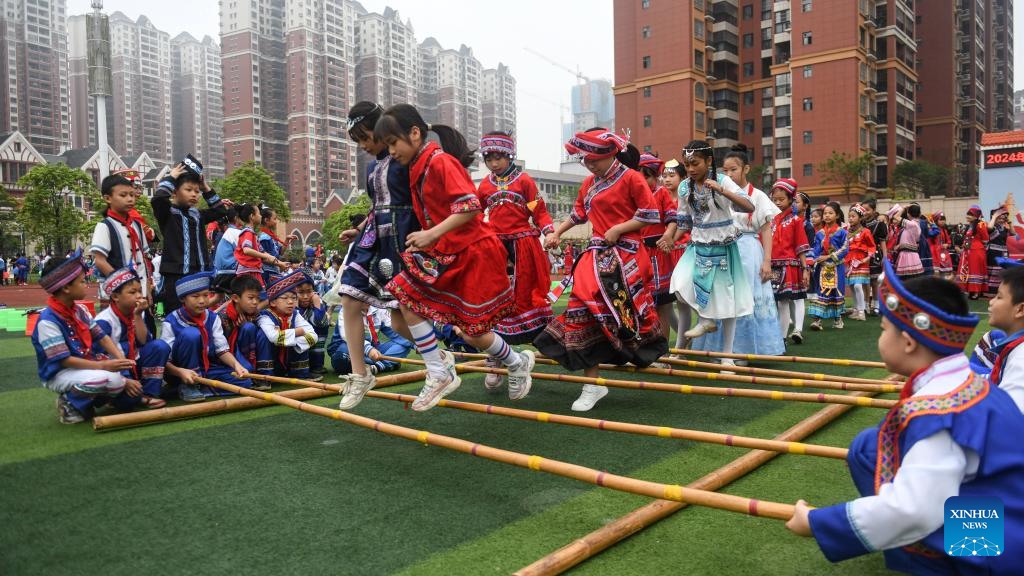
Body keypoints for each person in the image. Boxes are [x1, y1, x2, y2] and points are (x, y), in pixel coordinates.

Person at [787, 261, 1024, 574]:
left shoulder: (940, 412)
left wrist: (818, 523)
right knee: (874, 450)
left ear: (909, 343)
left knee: (915, 517)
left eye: (885, 330)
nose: (881, 338)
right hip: (1007, 520)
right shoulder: (968, 386)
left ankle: (954, 565)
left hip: (1001, 545)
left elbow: (913, 511)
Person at [341, 103, 534, 412]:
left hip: (471, 253)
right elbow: (388, 205)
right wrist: (367, 227)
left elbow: (470, 205)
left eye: (392, 143)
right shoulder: (417, 163)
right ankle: (446, 368)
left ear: (414, 134)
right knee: (408, 297)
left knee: (471, 330)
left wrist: (429, 235)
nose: (390, 151)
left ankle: (508, 361)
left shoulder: (438, 162)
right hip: (444, 249)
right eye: (387, 144)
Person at [537, 128, 666, 411]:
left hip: (628, 255)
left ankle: (644, 349)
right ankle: (592, 385)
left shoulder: (632, 178)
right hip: (596, 256)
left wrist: (619, 228)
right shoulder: (588, 184)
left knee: (622, 314)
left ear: (610, 155)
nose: (589, 164)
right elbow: (578, 214)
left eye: (594, 159)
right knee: (582, 308)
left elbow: (649, 214)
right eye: (586, 160)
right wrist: (556, 233)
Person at [335, 101, 421, 395]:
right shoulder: (372, 168)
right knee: (348, 297)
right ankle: (360, 375)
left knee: (399, 321)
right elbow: (376, 207)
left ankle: (438, 359)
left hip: (402, 240)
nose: (362, 145)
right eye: (357, 140)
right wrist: (358, 229)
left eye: (364, 137)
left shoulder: (407, 160)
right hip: (373, 239)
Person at [663, 140, 755, 371]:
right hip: (697, 245)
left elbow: (748, 206)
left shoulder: (723, 181)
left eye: (695, 163)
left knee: (727, 303)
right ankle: (705, 319)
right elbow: (683, 221)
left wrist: (723, 190)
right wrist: (670, 239)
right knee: (679, 285)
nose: (691, 169)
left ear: (709, 161)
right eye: (687, 164)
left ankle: (726, 357)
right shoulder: (685, 187)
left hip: (723, 247)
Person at [475, 131, 554, 391]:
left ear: (509, 156)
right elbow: (476, 215)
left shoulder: (525, 182)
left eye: (498, 158)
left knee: (524, 297)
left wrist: (549, 232)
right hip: (495, 248)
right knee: (493, 300)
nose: (494, 163)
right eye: (489, 159)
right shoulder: (485, 185)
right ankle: (494, 360)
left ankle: (543, 347)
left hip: (523, 247)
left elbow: (539, 212)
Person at [690, 144, 782, 357]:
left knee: (744, 297)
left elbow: (766, 229)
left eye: (734, 169)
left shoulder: (757, 196)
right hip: (720, 249)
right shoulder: (715, 191)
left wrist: (767, 261)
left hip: (748, 250)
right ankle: (715, 350)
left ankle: (742, 352)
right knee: (718, 297)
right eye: (725, 170)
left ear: (746, 169)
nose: (729, 174)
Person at [31, 251, 140, 423]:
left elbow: (102, 337)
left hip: (82, 367)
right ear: (66, 288)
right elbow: (64, 361)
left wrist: (121, 362)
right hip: (58, 373)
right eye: (82, 281)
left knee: (118, 381)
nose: (86, 285)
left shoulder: (79, 311)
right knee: (104, 378)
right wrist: (103, 365)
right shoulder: (48, 321)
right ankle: (69, 403)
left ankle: (87, 402)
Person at [160, 271, 252, 402]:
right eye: (195, 296)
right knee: (191, 334)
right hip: (179, 372)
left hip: (207, 368)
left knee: (245, 382)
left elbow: (222, 351)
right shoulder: (171, 321)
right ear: (182, 299)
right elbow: (165, 362)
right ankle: (187, 385)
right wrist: (181, 372)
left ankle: (194, 388)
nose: (202, 301)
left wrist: (237, 366)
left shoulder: (212, 318)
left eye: (205, 295)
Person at [152, 161, 229, 313]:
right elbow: (158, 200)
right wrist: (171, 177)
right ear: (174, 192)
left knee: (199, 314)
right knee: (177, 314)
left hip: (199, 273)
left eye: (197, 191)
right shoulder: (167, 214)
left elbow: (220, 210)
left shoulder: (198, 215)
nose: (194, 194)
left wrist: (205, 187)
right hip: (176, 276)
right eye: (188, 190)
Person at [92, 268, 170, 409]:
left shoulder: (137, 312)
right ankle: (118, 396)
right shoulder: (104, 321)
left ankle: (149, 392)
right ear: (115, 296)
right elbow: (102, 357)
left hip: (133, 362)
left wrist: (138, 315)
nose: (139, 296)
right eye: (133, 292)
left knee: (160, 346)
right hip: (113, 370)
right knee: (128, 402)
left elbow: (144, 342)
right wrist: (125, 380)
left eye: (140, 291)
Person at [90, 173, 152, 305]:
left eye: (132, 195)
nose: (130, 199)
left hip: (139, 292)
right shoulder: (104, 226)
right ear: (108, 198)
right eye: (123, 195)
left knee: (141, 323)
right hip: (116, 293)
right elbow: (100, 261)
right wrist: (121, 283)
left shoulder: (137, 226)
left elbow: (143, 258)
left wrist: (147, 288)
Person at [636, 153, 678, 348]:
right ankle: (641, 348)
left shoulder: (661, 194)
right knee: (639, 305)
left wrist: (668, 235)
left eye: (648, 176)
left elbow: (672, 219)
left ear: (656, 177)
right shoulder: (631, 195)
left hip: (659, 255)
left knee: (662, 305)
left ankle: (662, 349)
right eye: (640, 176)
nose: (644, 180)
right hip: (637, 254)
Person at [255, 271, 321, 382]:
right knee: (263, 335)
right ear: (273, 302)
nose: (290, 302)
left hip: (287, 361)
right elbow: (274, 337)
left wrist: (291, 338)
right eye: (285, 298)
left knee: (302, 339)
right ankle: (264, 377)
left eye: (293, 298)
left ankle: (300, 373)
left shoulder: (295, 314)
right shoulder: (264, 316)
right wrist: (296, 332)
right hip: (272, 362)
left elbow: (313, 336)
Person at [768, 178, 811, 344]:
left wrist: (805, 269)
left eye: (781, 199)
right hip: (772, 266)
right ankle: (779, 335)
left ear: (791, 200)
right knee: (776, 303)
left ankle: (782, 338)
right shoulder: (770, 220)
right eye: (775, 200)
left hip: (789, 267)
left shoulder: (796, 221)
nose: (778, 203)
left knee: (784, 302)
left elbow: (801, 247)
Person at [327, 302, 414, 376]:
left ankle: (377, 367)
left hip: (375, 349)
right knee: (340, 359)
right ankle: (387, 363)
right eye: (363, 297)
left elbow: (396, 333)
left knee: (403, 345)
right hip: (348, 349)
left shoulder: (379, 308)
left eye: (369, 295)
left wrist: (418, 345)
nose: (367, 299)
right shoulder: (347, 310)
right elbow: (348, 337)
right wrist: (368, 349)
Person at [984, 261, 1024, 413]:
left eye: (999, 297)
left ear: (1020, 309)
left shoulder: (1020, 359)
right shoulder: (1015, 349)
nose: (991, 301)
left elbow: (1009, 417)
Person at [661, 159, 692, 349]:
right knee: (664, 303)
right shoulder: (659, 198)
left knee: (683, 301)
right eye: (664, 175)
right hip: (664, 254)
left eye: (672, 175)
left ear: (683, 177)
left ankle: (680, 347)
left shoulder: (687, 199)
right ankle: (684, 340)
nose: (667, 179)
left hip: (683, 252)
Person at [213, 274, 264, 389]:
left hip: (239, 353)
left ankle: (249, 367)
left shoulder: (253, 313)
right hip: (222, 356)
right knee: (246, 374)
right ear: (235, 298)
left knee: (249, 327)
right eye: (251, 298)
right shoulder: (221, 317)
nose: (255, 302)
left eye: (257, 298)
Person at [808, 202, 848, 331]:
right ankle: (817, 320)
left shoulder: (841, 232)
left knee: (836, 292)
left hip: (836, 267)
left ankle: (838, 319)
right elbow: (816, 249)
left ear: (837, 216)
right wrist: (815, 259)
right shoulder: (820, 233)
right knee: (822, 291)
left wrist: (828, 257)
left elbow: (845, 249)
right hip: (822, 268)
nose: (827, 216)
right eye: (825, 213)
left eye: (830, 213)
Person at [235, 203, 280, 290]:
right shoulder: (248, 232)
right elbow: (246, 250)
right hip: (248, 272)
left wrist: (280, 263)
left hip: (253, 270)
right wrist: (264, 256)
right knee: (259, 298)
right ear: (252, 216)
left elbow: (263, 252)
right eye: (259, 214)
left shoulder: (253, 234)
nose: (260, 216)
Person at [844, 204, 876, 322]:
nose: (850, 218)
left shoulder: (865, 232)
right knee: (852, 286)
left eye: (853, 216)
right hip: (849, 262)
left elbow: (872, 247)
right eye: (849, 216)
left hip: (861, 262)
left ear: (860, 218)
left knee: (858, 285)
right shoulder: (846, 232)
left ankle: (862, 312)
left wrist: (867, 259)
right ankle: (856, 309)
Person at [295, 270, 330, 375]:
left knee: (321, 327)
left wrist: (316, 302)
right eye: (301, 292)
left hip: (314, 349)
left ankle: (317, 365)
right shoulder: (290, 305)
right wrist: (296, 307)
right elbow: (295, 323)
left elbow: (320, 322)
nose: (305, 296)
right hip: (297, 353)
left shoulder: (317, 302)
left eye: (309, 291)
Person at [859, 199, 889, 315]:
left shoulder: (879, 224)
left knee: (875, 282)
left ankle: (876, 304)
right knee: (864, 281)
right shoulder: (860, 224)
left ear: (874, 210)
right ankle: (865, 305)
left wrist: (885, 256)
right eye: (863, 210)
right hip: (862, 255)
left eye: (868, 210)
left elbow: (882, 242)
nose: (865, 212)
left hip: (875, 255)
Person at [958, 205, 989, 299]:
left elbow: (986, 239)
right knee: (967, 270)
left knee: (975, 270)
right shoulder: (970, 226)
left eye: (970, 215)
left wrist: (975, 245)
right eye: (967, 214)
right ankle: (970, 291)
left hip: (976, 251)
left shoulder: (981, 225)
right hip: (968, 251)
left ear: (976, 216)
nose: (967, 216)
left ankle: (975, 291)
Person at [211, 205, 242, 294]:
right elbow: (246, 252)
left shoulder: (230, 231)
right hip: (229, 273)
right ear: (236, 218)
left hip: (221, 273)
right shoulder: (235, 232)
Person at [258, 207, 293, 284]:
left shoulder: (271, 236)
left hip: (274, 270)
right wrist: (280, 263)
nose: (276, 222)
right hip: (268, 272)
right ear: (266, 220)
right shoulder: (264, 238)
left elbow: (280, 252)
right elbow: (265, 258)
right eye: (274, 219)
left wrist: (287, 240)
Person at [890, 205, 924, 280]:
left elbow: (895, 216)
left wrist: (904, 207)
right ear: (919, 214)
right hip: (911, 255)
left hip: (908, 256)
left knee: (907, 281)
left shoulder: (911, 224)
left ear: (908, 214)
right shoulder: (915, 224)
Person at [987, 206, 1010, 297]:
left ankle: (1000, 291)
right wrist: (994, 217)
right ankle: (991, 292)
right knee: (994, 272)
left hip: (1003, 253)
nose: (1001, 219)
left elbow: (1013, 232)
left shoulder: (1004, 228)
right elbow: (989, 227)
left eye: (1002, 218)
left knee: (1002, 272)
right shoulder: (992, 226)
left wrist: (1009, 222)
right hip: (994, 253)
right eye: (999, 218)